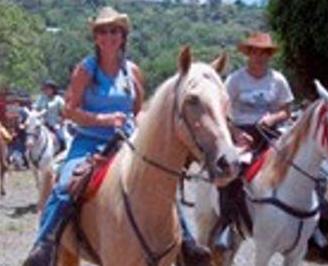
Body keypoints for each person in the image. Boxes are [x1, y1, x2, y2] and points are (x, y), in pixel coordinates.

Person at [23, 6, 208, 266]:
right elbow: (69, 110)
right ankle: (44, 245)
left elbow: (136, 108)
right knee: (66, 185)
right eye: (103, 31)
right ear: (96, 37)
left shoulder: (132, 72)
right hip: (89, 141)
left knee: (161, 184)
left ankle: (187, 243)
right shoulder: (85, 70)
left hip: (128, 141)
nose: (109, 36)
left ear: (122, 36)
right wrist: (103, 120)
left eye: (114, 31)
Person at [214, 32, 295, 250]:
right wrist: (236, 132)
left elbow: (287, 110)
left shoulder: (278, 79)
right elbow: (221, 112)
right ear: (248, 53)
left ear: (269, 55)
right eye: (255, 52)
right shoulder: (235, 80)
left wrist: (273, 117)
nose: (259, 57)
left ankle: (308, 224)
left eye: (264, 53)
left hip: (270, 132)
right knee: (230, 171)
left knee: (299, 164)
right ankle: (226, 224)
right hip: (242, 133)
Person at [33, 79, 66, 152]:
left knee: (61, 139)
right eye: (45, 88)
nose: (46, 90)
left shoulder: (58, 99)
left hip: (54, 124)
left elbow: (64, 112)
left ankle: (60, 156)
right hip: (42, 124)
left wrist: (61, 121)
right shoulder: (41, 98)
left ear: (53, 89)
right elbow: (35, 108)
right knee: (30, 136)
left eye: (48, 88)